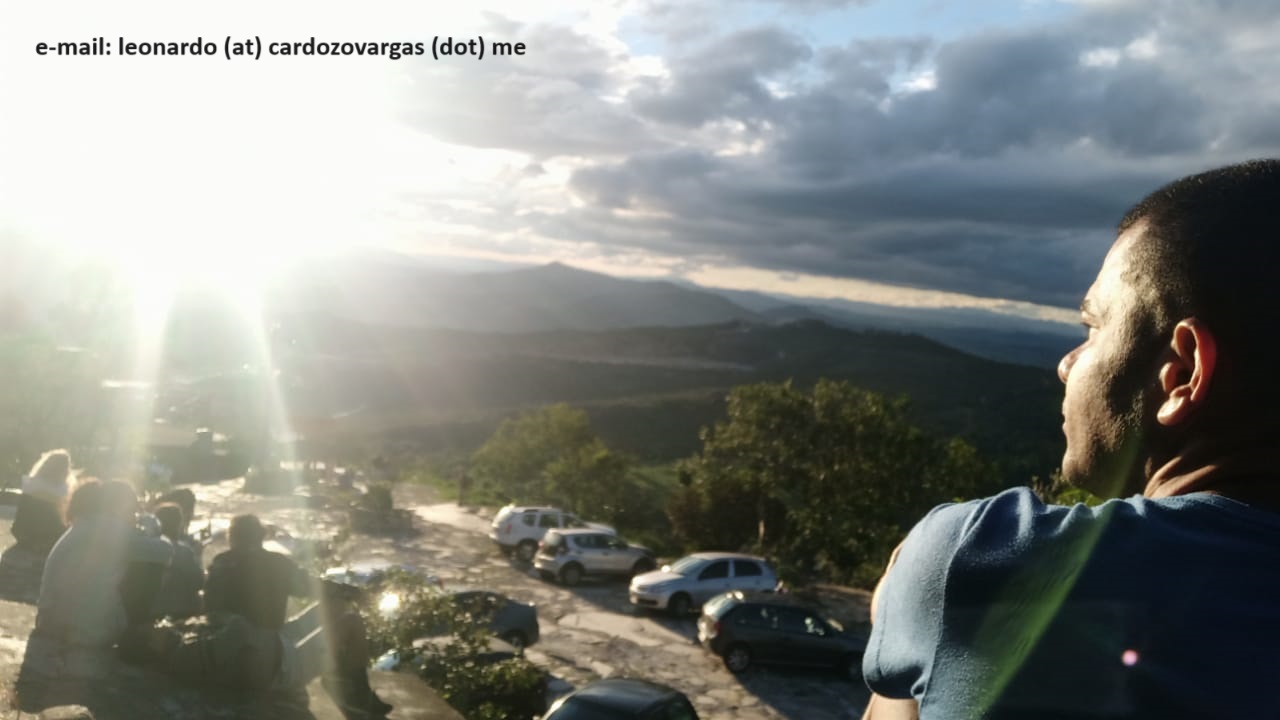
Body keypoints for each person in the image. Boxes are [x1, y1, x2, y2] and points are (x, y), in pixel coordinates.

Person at [862, 159, 1280, 719]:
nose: (1066, 364)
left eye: (1093, 327)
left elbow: (907, 610)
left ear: (1181, 374)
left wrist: (914, 586)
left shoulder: (983, 558)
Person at [20, 478, 171, 690]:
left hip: (51, 618)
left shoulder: (87, 523)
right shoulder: (111, 528)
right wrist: (152, 528)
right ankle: (139, 632)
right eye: (134, 508)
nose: (135, 514)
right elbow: (164, 552)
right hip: (85, 628)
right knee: (149, 568)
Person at [10, 449, 73, 555]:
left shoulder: (30, 486)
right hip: (49, 543)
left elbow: (19, 521)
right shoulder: (64, 492)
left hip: (24, 537)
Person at [151, 503, 204, 619]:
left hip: (153, 610)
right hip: (181, 612)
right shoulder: (184, 551)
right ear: (178, 525)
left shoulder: (149, 548)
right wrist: (198, 556)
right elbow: (199, 582)